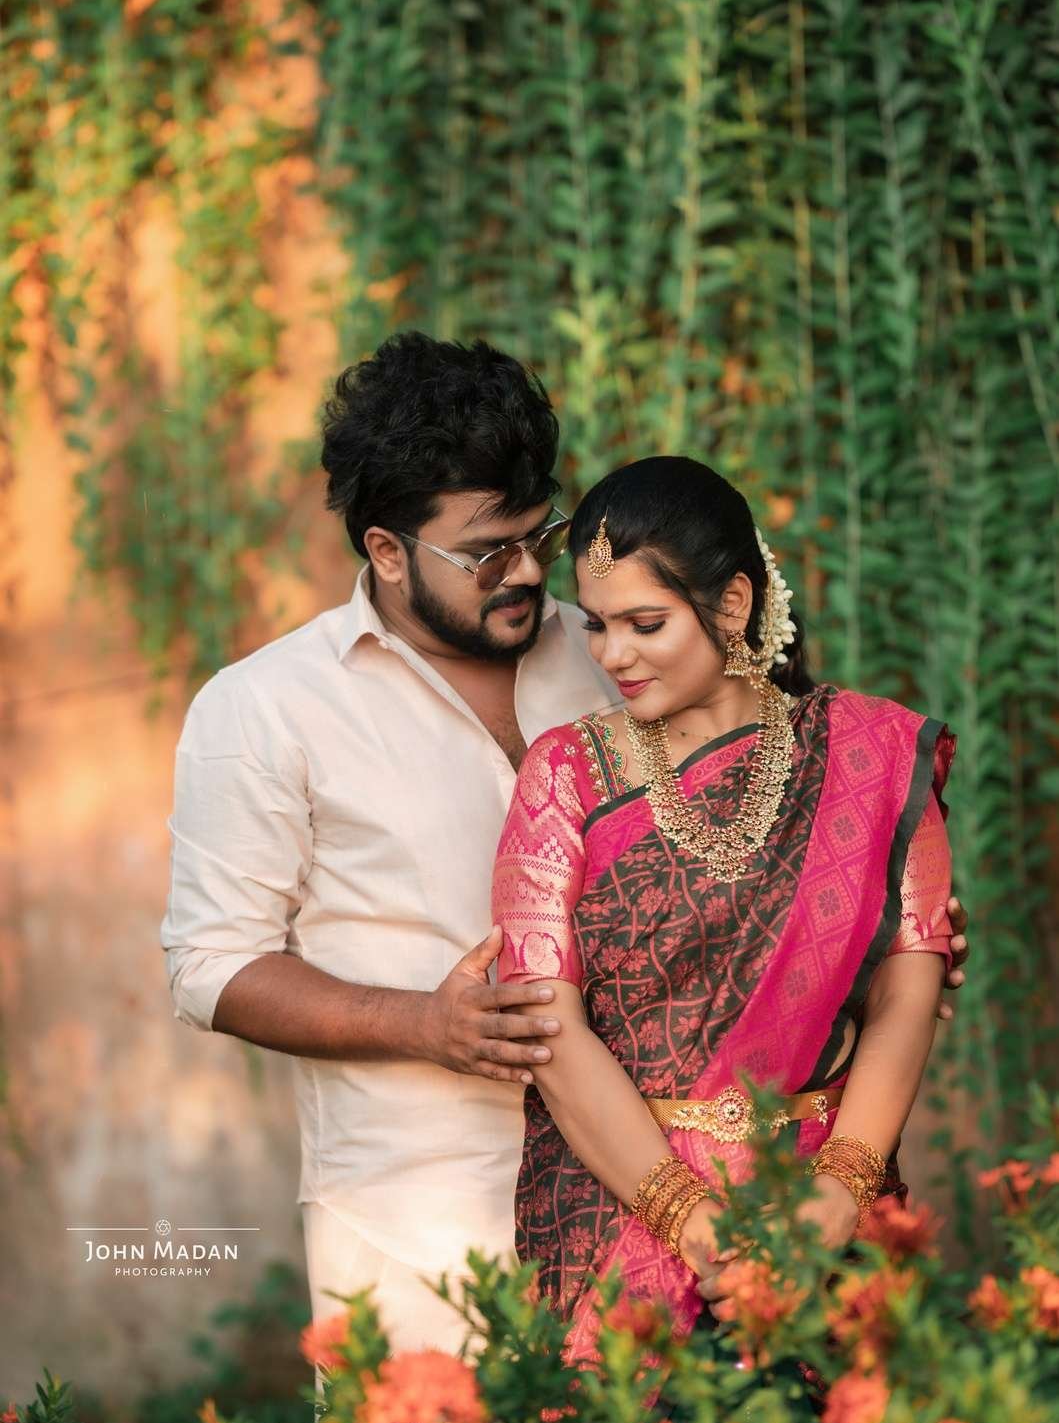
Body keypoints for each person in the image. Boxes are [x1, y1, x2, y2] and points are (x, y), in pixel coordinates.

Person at [162, 334, 969, 1367]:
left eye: (535, 535)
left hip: (664, 1198)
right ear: (387, 551)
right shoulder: (267, 708)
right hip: (422, 1214)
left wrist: (882, 926)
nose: (523, 572)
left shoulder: (613, 644)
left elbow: (784, 844)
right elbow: (209, 966)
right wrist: (425, 1025)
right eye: (484, 552)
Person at [492, 455, 959, 1365]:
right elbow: (546, 1024)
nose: (611, 656)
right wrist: (699, 1228)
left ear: (733, 604)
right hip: (623, 1213)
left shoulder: (870, 753)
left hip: (827, 1190)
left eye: (645, 624)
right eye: (596, 626)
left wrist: (835, 1198)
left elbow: (911, 985)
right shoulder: (564, 774)